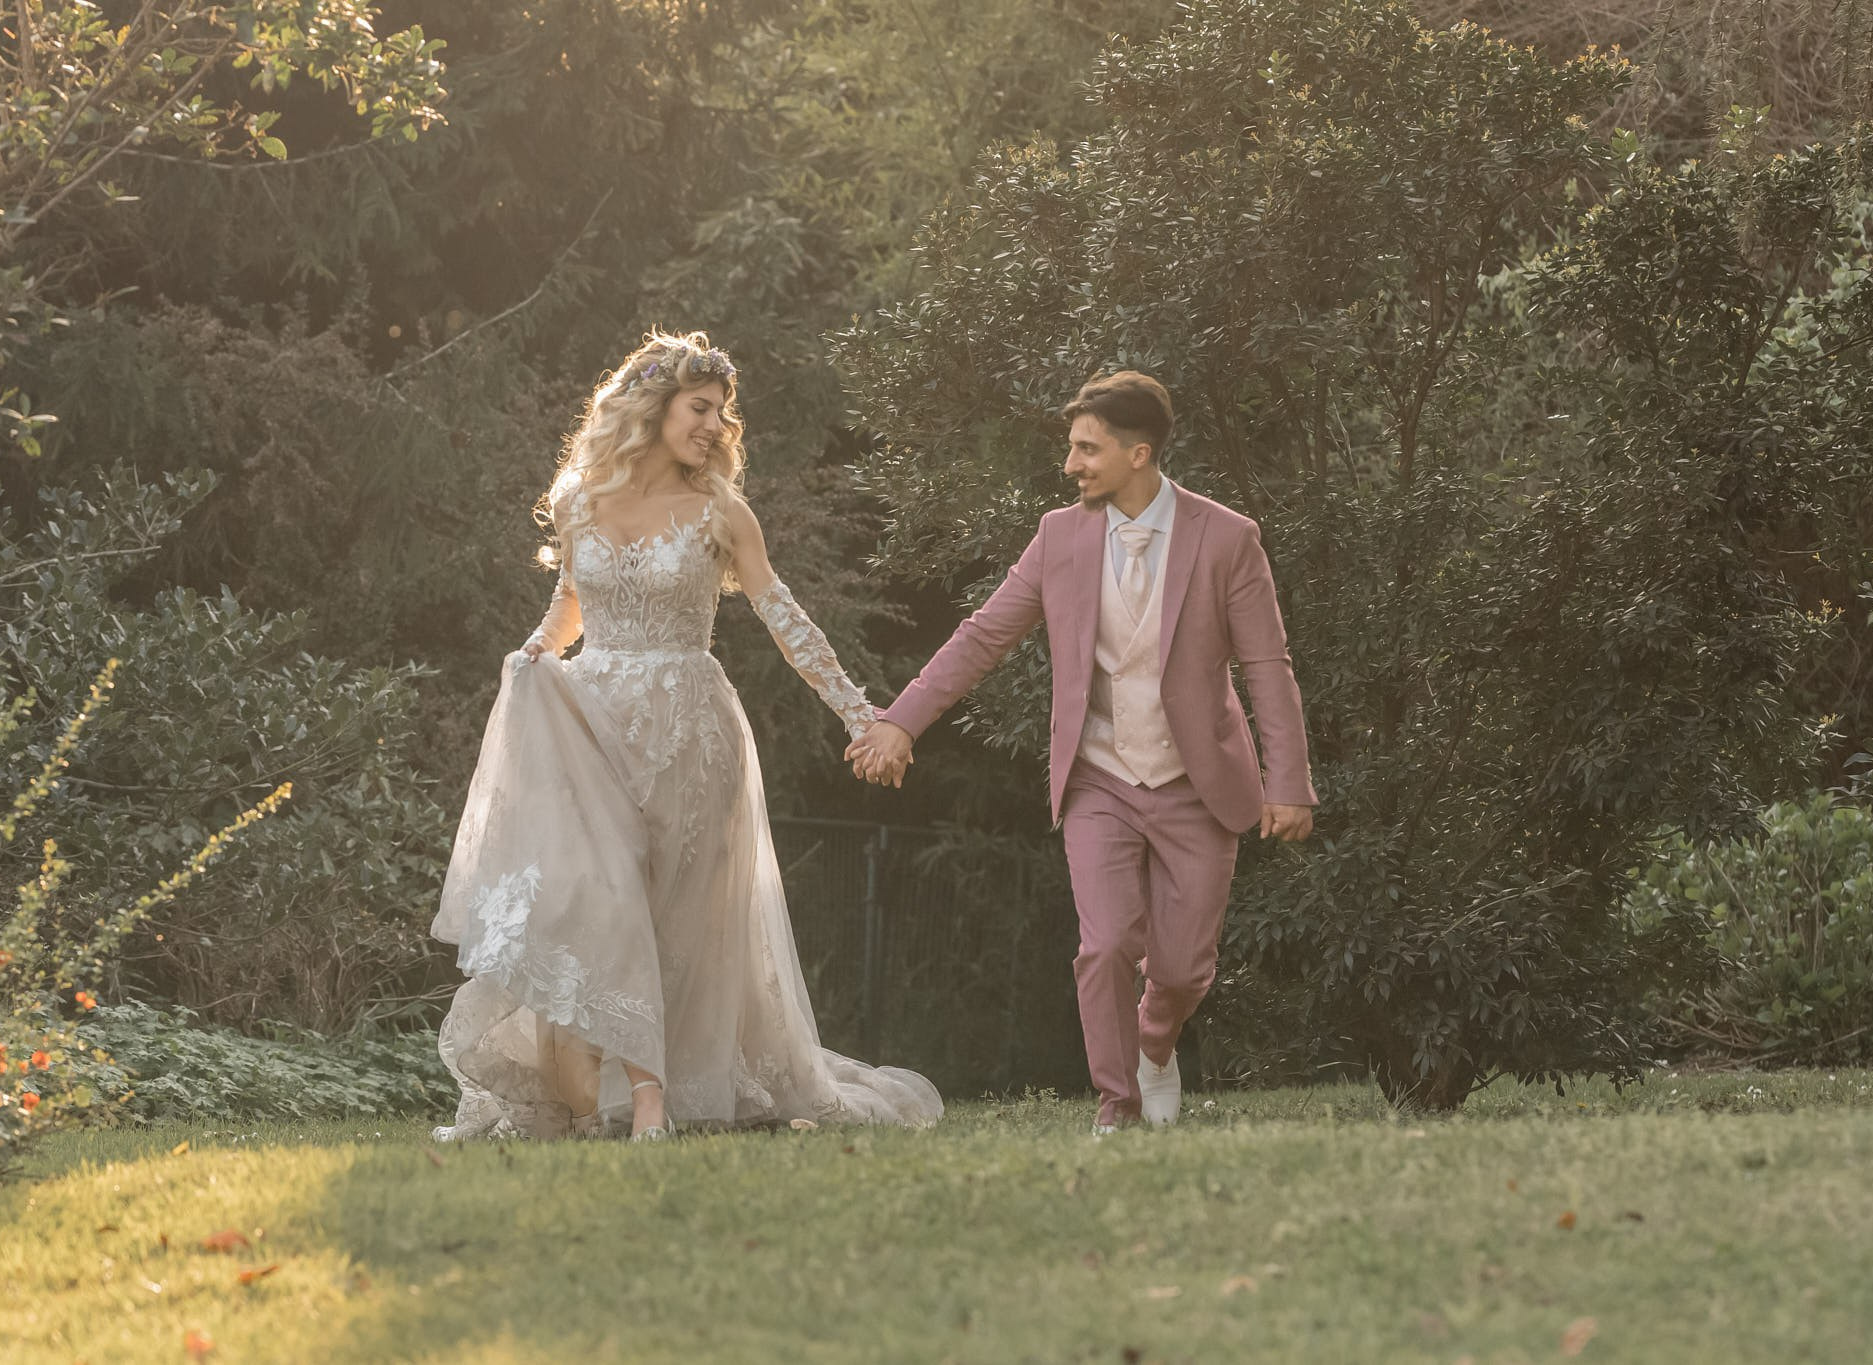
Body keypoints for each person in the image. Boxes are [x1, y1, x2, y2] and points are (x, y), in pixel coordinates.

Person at [430, 331, 942, 1142]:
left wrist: (860, 712)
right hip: (592, 725)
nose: (715, 425)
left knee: (675, 917)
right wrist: (535, 651)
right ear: (654, 408)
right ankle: (638, 1099)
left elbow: (784, 616)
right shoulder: (578, 502)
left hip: (690, 727)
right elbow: (571, 605)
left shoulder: (721, 514)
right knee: (602, 897)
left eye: (721, 413)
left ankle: (657, 1093)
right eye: (700, 408)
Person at [846, 371, 1315, 1136]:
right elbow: (984, 635)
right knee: (1103, 948)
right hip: (1099, 777)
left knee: (1184, 968)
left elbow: (1268, 666)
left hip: (1199, 782)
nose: (1072, 465)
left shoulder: (1228, 538)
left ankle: (1155, 1046)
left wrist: (1287, 780)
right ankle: (1116, 1107)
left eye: (1086, 449)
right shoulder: (1059, 537)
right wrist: (902, 721)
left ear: (1139, 453)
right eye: (1072, 448)